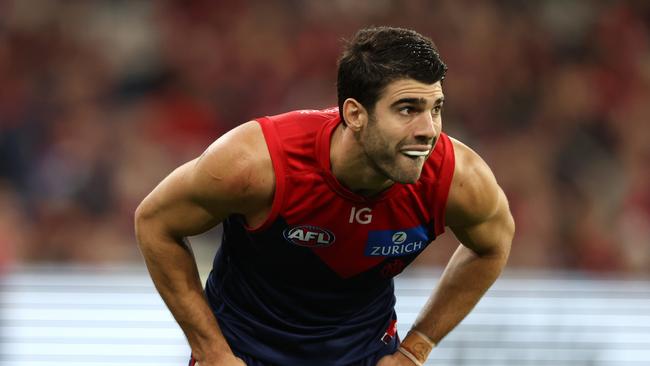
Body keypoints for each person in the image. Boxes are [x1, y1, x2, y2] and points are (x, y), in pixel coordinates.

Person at [135, 26, 515, 366]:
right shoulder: (256, 164)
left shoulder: (456, 178)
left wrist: (417, 348)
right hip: (243, 352)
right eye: (407, 109)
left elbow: (493, 244)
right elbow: (155, 223)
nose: (428, 130)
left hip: (365, 355)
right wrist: (213, 352)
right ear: (354, 114)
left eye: (436, 109)